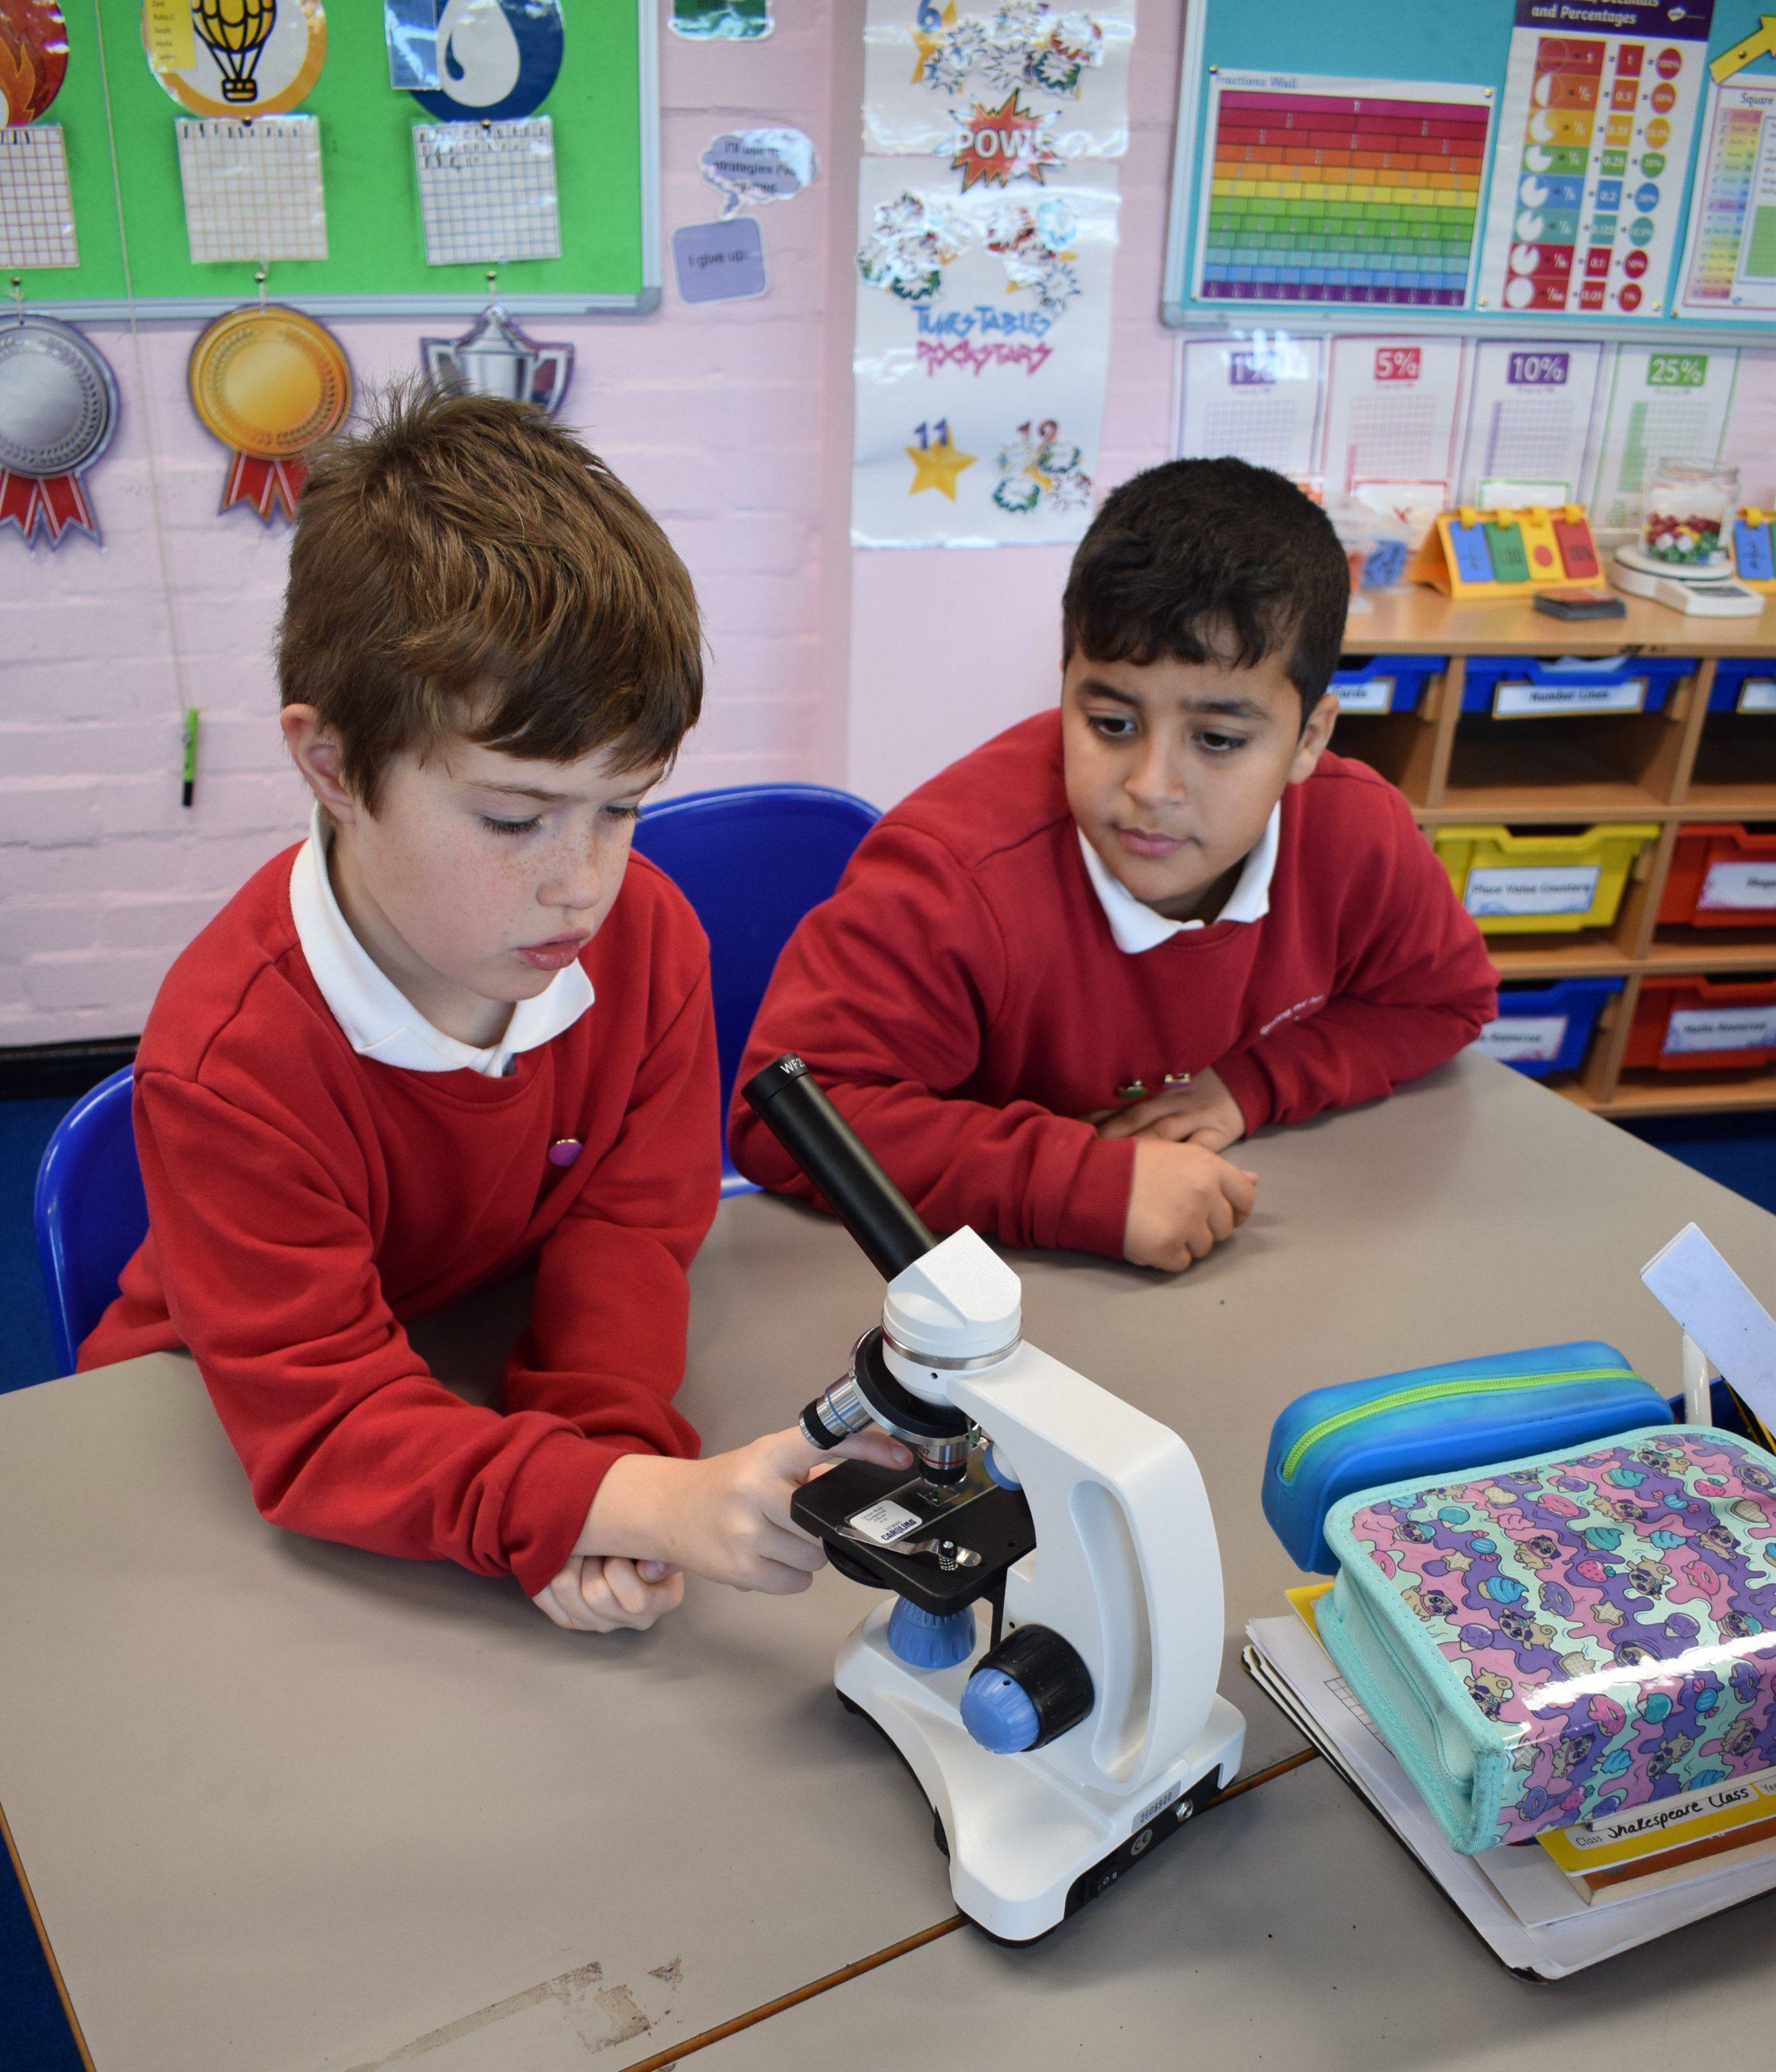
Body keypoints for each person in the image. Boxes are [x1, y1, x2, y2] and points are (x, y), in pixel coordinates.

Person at [83, 388, 903, 1632]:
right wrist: (608, 1498)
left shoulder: (648, 943)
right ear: (333, 766)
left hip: (453, 1373)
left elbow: (628, 1233)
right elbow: (322, 1424)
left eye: (621, 807)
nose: (582, 881)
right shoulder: (231, 1059)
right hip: (206, 1428)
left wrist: (601, 1470)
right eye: (514, 819)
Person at [729, 456, 1498, 1272]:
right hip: (982, 1304)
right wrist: (1088, 1184)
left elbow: (1441, 1001)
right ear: (1063, 688)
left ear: (1310, 738)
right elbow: (789, 1117)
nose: (1151, 787)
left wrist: (1252, 1084)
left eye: (1217, 740)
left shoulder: (1357, 831)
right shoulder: (955, 874)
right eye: (1110, 722)